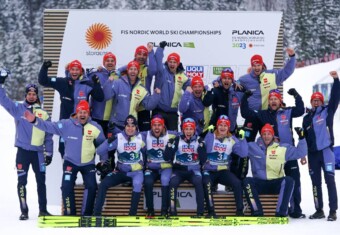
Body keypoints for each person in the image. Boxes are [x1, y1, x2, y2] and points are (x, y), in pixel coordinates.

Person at [24, 100, 107, 216]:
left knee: (92, 186)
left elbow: (103, 145)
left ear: (88, 114)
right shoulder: (66, 124)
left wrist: (103, 161)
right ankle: (69, 213)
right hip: (70, 162)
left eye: (85, 112)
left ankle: (86, 214)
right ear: (76, 113)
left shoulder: (95, 127)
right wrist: (34, 121)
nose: (82, 115)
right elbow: (49, 126)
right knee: (66, 186)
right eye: (80, 112)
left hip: (88, 163)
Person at [241, 88, 306, 218]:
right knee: (275, 178)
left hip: (287, 152)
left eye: (275, 99)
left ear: (280, 101)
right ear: (268, 102)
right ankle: (268, 208)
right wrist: (245, 98)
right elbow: (245, 113)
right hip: (272, 154)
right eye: (271, 99)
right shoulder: (262, 114)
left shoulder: (286, 112)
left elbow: (300, 110)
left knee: (294, 180)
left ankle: (295, 209)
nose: (273, 101)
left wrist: (296, 95)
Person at [0, 70, 53, 220]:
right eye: (29, 94)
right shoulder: (18, 109)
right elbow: (3, 99)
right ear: (25, 95)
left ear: (37, 96)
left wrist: (49, 153)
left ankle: (43, 210)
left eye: (34, 94)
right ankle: (24, 211)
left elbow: (49, 135)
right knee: (22, 182)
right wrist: (0, 83)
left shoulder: (44, 113)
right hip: (23, 152)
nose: (31, 96)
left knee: (41, 182)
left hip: (38, 154)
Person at [235, 48, 296, 179]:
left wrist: (292, 57)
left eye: (258, 65)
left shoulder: (272, 75)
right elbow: (233, 86)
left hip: (268, 116)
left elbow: (287, 71)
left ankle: (276, 176)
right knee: (245, 145)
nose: (256, 67)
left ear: (262, 65)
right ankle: (240, 177)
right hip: (252, 117)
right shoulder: (244, 79)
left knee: (276, 145)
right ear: (251, 66)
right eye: (254, 65)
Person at [38, 60, 104, 158]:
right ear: (69, 70)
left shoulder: (87, 84)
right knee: (63, 150)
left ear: (81, 71)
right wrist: (45, 67)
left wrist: (97, 84)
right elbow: (43, 81)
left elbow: (100, 97)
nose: (74, 72)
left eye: (77, 69)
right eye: (72, 69)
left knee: (84, 152)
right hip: (66, 125)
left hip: (83, 125)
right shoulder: (62, 82)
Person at [242, 123, 307, 217]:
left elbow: (301, 152)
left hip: (276, 184)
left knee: (289, 180)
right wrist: (240, 138)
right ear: (261, 135)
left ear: (273, 135)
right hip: (260, 183)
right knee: (247, 181)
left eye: (269, 134)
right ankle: (256, 211)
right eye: (264, 134)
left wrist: (302, 138)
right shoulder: (253, 146)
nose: (266, 136)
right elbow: (239, 151)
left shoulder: (282, 148)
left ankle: (281, 212)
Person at [303, 71, 339, 221]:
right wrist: (303, 154)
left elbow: (336, 97)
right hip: (313, 155)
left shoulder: (327, 112)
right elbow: (304, 138)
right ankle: (319, 210)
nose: (316, 102)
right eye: (314, 100)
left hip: (326, 152)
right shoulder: (306, 118)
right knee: (315, 183)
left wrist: (336, 80)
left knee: (329, 181)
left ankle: (332, 211)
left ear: (322, 102)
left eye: (318, 100)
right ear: (311, 102)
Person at [94, 115, 145, 216]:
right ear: (124, 127)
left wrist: (146, 166)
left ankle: (132, 215)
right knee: (104, 183)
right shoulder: (118, 138)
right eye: (128, 126)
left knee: (138, 184)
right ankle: (96, 214)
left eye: (133, 126)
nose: (130, 129)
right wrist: (108, 141)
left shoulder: (141, 137)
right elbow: (99, 151)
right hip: (120, 171)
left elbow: (147, 153)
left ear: (136, 127)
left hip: (135, 172)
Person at [202, 115, 248, 216]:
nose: (222, 127)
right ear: (217, 126)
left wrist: (242, 139)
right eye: (220, 125)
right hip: (209, 170)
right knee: (207, 183)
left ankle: (240, 210)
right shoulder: (211, 135)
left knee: (237, 183)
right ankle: (211, 211)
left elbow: (243, 154)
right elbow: (207, 149)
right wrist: (209, 135)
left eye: (225, 125)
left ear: (228, 127)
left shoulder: (232, 139)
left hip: (223, 171)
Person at [103, 61, 160, 135]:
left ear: (138, 72)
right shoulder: (118, 83)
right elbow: (106, 96)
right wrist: (108, 83)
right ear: (127, 71)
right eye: (131, 69)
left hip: (131, 126)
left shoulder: (141, 88)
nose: (133, 71)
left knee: (130, 146)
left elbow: (149, 106)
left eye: (135, 69)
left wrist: (156, 95)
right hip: (116, 125)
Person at [164, 118, 206, 216]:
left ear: (194, 130)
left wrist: (201, 147)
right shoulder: (177, 139)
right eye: (186, 129)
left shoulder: (199, 140)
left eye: (191, 129)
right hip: (180, 170)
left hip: (193, 170)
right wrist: (169, 147)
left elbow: (203, 160)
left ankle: (200, 213)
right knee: (173, 183)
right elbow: (167, 157)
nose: (188, 131)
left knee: (198, 182)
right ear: (183, 130)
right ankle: (172, 212)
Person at [141, 115, 176, 216]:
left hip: (165, 167)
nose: (157, 128)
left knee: (165, 180)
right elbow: (130, 133)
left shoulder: (170, 134)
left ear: (163, 126)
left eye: (159, 125)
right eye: (154, 125)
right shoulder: (145, 135)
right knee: (147, 181)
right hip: (151, 167)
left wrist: (198, 129)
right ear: (151, 126)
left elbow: (187, 132)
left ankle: (164, 210)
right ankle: (150, 210)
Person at [117, 43, 157, 131]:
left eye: (144, 55)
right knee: (129, 133)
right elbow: (117, 72)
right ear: (135, 55)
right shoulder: (130, 68)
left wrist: (150, 52)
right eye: (139, 54)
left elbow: (154, 70)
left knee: (144, 133)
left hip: (143, 107)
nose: (141, 57)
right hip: (131, 106)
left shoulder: (147, 69)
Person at [154, 41, 191, 131]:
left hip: (172, 112)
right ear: (167, 62)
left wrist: (209, 87)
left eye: (174, 62)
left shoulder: (182, 75)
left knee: (173, 138)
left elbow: (195, 85)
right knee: (156, 136)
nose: (172, 64)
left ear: (178, 63)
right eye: (170, 61)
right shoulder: (162, 71)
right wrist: (160, 48)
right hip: (159, 110)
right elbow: (158, 61)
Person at [87, 52, 119, 136]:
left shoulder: (119, 76)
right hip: (97, 116)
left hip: (112, 118)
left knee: (110, 145)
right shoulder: (96, 74)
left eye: (112, 61)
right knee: (96, 143)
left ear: (115, 63)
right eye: (107, 60)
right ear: (104, 63)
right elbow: (81, 79)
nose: (110, 62)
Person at [203, 68, 243, 133]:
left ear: (232, 80)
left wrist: (237, 82)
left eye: (229, 79)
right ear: (221, 79)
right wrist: (212, 88)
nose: (226, 80)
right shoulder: (216, 89)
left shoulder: (236, 90)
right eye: (224, 78)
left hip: (231, 128)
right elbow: (206, 103)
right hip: (215, 128)